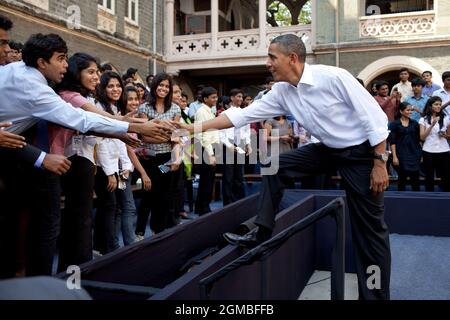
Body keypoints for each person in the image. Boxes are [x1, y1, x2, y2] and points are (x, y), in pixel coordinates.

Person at [179, 34, 391, 300]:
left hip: (363, 154)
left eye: (271, 57)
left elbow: (376, 119)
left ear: (292, 58)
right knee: (273, 165)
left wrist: (380, 163)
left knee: (369, 234)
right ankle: (262, 232)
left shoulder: (335, 77)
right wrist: (191, 128)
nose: (267, 63)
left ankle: (375, 297)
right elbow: (240, 116)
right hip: (328, 149)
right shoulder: (280, 91)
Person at [0, 33, 172, 277]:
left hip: (33, 158)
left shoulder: (18, 70)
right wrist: (136, 128)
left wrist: (127, 131)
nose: (65, 65)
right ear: (41, 62)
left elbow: (96, 121)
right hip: (37, 163)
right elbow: (83, 119)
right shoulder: (38, 89)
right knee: (46, 227)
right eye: (61, 59)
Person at [419, 96, 450, 192]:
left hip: (443, 149)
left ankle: (446, 196)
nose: (438, 106)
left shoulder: (446, 118)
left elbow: (449, 136)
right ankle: (429, 197)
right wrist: (432, 125)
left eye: (440, 104)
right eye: (436, 104)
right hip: (429, 150)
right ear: (430, 106)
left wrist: (445, 135)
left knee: (446, 175)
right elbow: (422, 137)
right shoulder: (423, 119)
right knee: (429, 175)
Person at [389, 102, 422, 191]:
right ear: (401, 111)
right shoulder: (394, 124)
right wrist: (395, 157)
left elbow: (419, 140)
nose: (410, 112)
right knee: (402, 179)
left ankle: (418, 201)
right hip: (401, 155)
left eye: (411, 110)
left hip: (414, 154)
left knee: (415, 180)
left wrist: (420, 154)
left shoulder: (415, 124)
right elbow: (392, 141)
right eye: (408, 110)